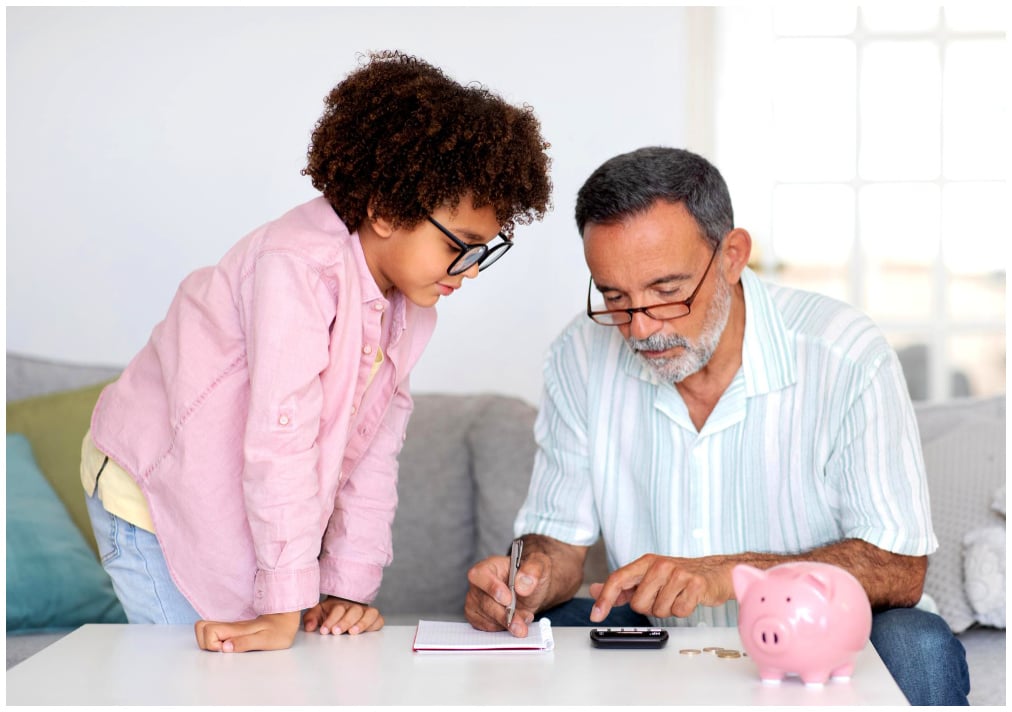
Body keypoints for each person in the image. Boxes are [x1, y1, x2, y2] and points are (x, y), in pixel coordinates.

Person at [81, 50, 552, 654]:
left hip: (228, 487)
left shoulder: (411, 313)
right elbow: (281, 439)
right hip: (149, 491)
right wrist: (284, 602)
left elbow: (374, 453)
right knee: (196, 671)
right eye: (461, 246)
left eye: (485, 250)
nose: (471, 269)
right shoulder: (297, 269)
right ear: (385, 211)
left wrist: (347, 587)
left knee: (263, 659)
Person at [464, 147, 969, 705]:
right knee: (540, 629)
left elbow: (898, 567)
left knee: (916, 645)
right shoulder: (579, 357)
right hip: (657, 636)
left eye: (666, 291)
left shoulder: (844, 354)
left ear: (731, 256)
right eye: (614, 297)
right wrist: (525, 581)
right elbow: (557, 538)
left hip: (823, 638)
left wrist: (725, 573)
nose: (640, 330)